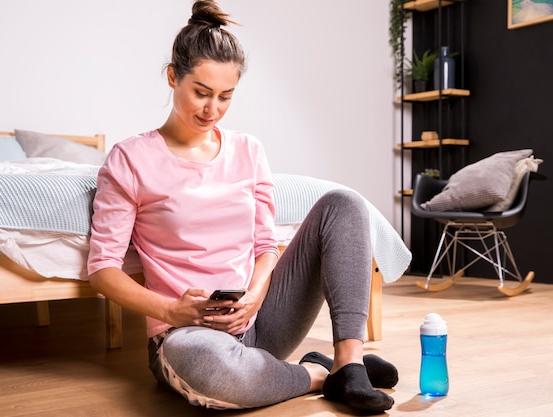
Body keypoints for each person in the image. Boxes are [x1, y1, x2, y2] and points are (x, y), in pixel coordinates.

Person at [87, 0, 398, 412]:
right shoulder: (130, 160)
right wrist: (171, 309)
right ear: (172, 77)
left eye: (225, 96)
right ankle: (318, 376)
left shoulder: (249, 150)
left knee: (344, 202)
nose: (211, 109)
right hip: (186, 336)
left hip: (259, 319)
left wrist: (254, 295)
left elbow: (265, 245)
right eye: (200, 92)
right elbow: (102, 269)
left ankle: (349, 363)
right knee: (206, 366)